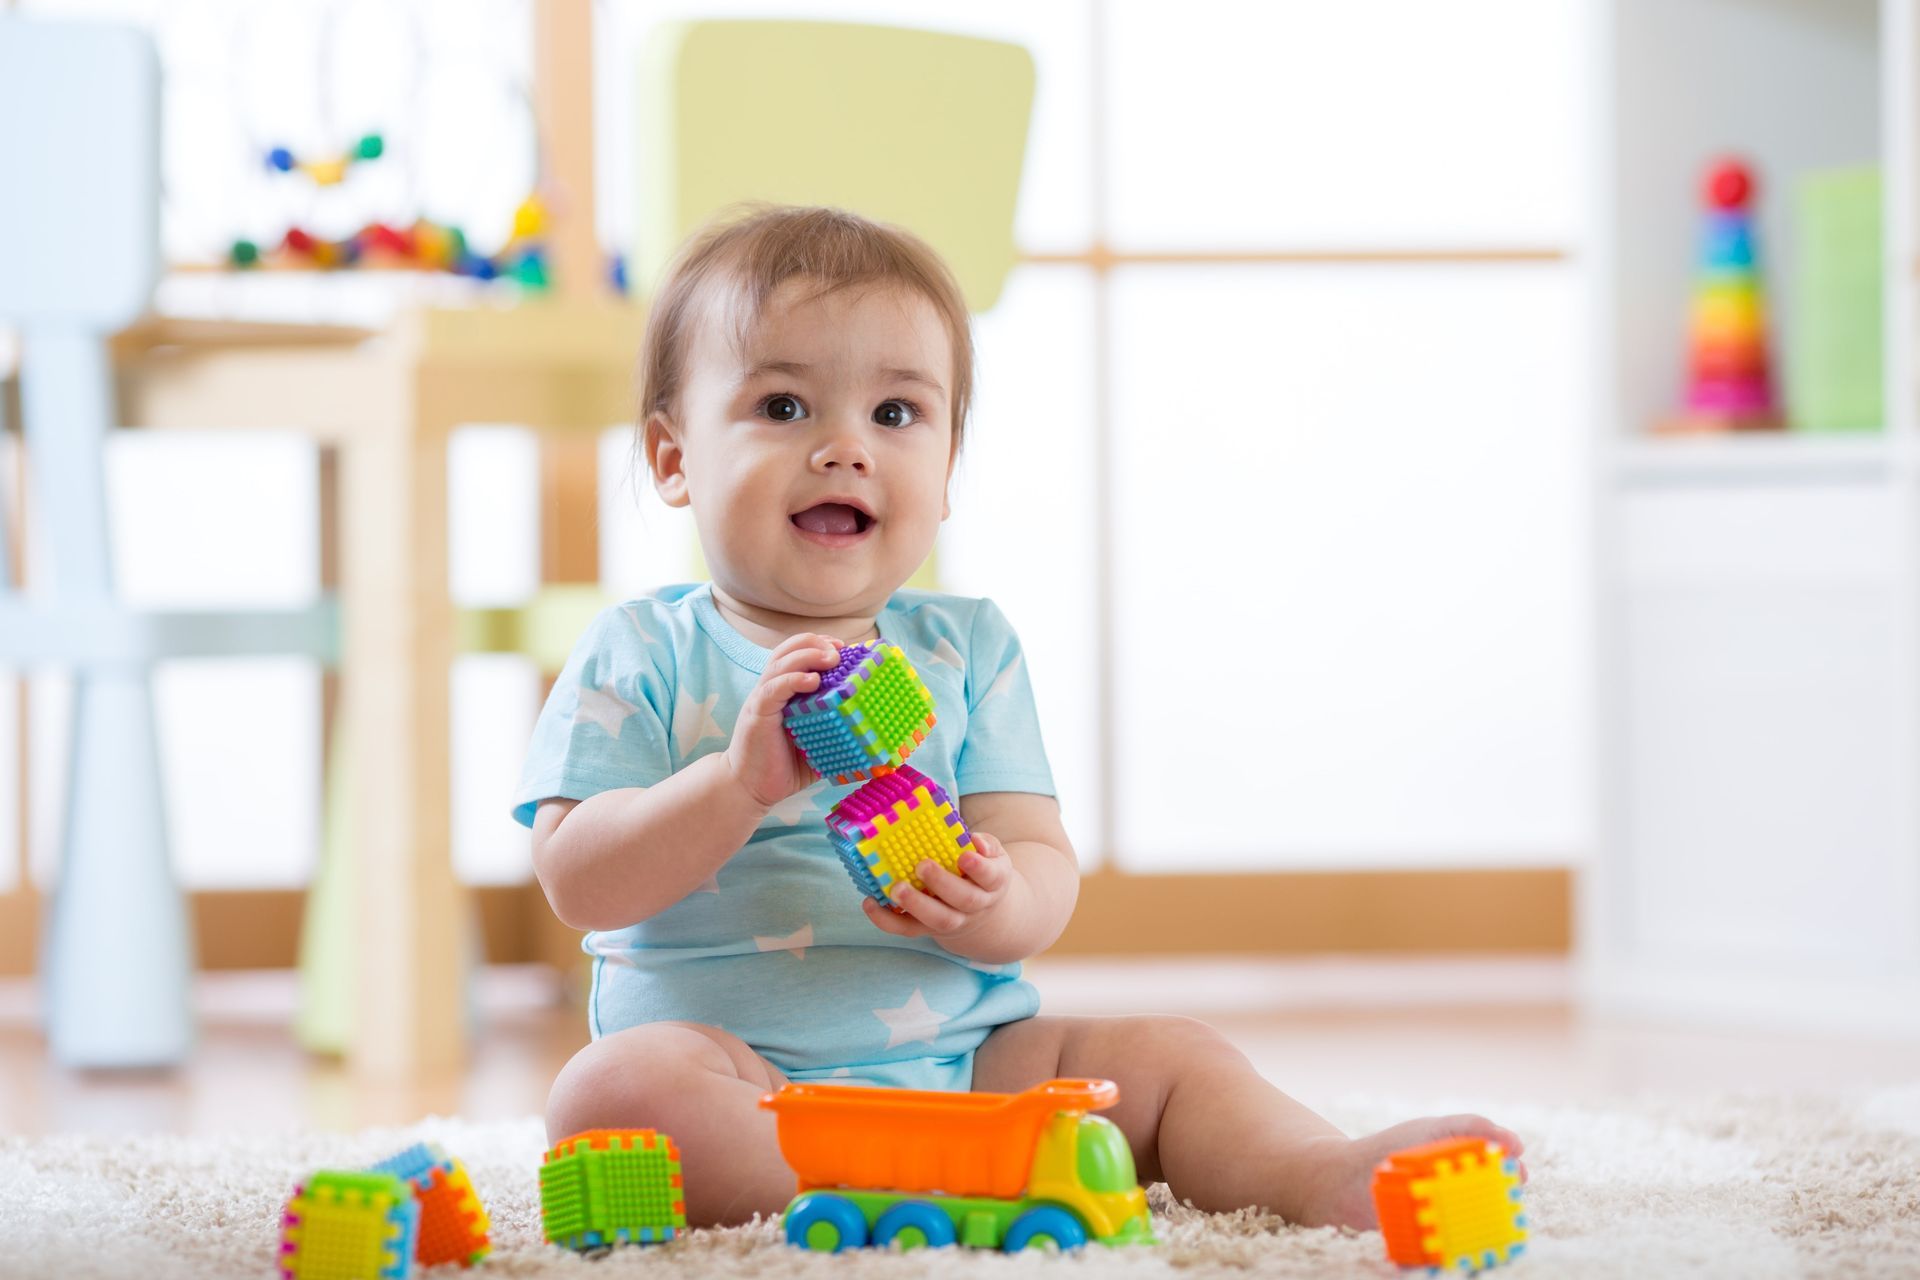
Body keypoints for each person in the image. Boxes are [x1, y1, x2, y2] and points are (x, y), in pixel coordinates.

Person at [514, 204, 1524, 1230]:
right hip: (738, 1071)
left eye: (897, 415)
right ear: (673, 457)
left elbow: (1040, 855)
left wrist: (993, 899)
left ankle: (1318, 1170)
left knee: (1170, 1055)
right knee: (607, 1095)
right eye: (782, 405)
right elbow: (579, 879)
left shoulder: (965, 648)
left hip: (967, 1060)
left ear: (947, 468)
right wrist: (734, 786)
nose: (843, 448)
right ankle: (905, 1189)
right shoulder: (640, 649)